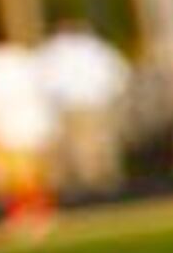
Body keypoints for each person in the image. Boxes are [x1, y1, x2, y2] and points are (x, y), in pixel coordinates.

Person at [0, 35, 61, 230]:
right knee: (30, 173)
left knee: (16, 176)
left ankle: (29, 214)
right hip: (31, 122)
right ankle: (39, 212)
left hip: (4, 124)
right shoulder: (23, 57)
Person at [40, 18, 132, 198]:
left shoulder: (56, 51)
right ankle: (102, 186)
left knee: (85, 147)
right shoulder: (96, 48)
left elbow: (44, 79)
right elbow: (120, 73)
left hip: (79, 104)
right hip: (90, 103)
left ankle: (92, 188)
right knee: (96, 145)